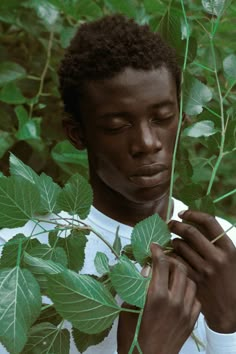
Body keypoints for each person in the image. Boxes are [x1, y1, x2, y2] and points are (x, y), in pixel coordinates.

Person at [0, 14, 236, 354]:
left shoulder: (221, 252)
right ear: (77, 134)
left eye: (162, 118)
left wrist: (226, 323)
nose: (147, 142)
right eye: (116, 126)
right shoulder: (23, 257)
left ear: (182, 117)